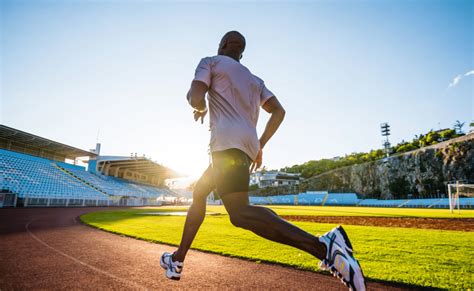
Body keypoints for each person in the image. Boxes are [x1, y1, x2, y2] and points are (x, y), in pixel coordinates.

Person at [160, 31, 366, 291]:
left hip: (225, 145)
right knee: (200, 192)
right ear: (242, 53)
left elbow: (195, 96)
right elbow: (279, 111)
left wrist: (199, 107)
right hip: (244, 147)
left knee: (240, 213)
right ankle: (177, 260)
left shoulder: (210, 62)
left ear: (222, 45)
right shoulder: (255, 80)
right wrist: (260, 145)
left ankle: (324, 247)